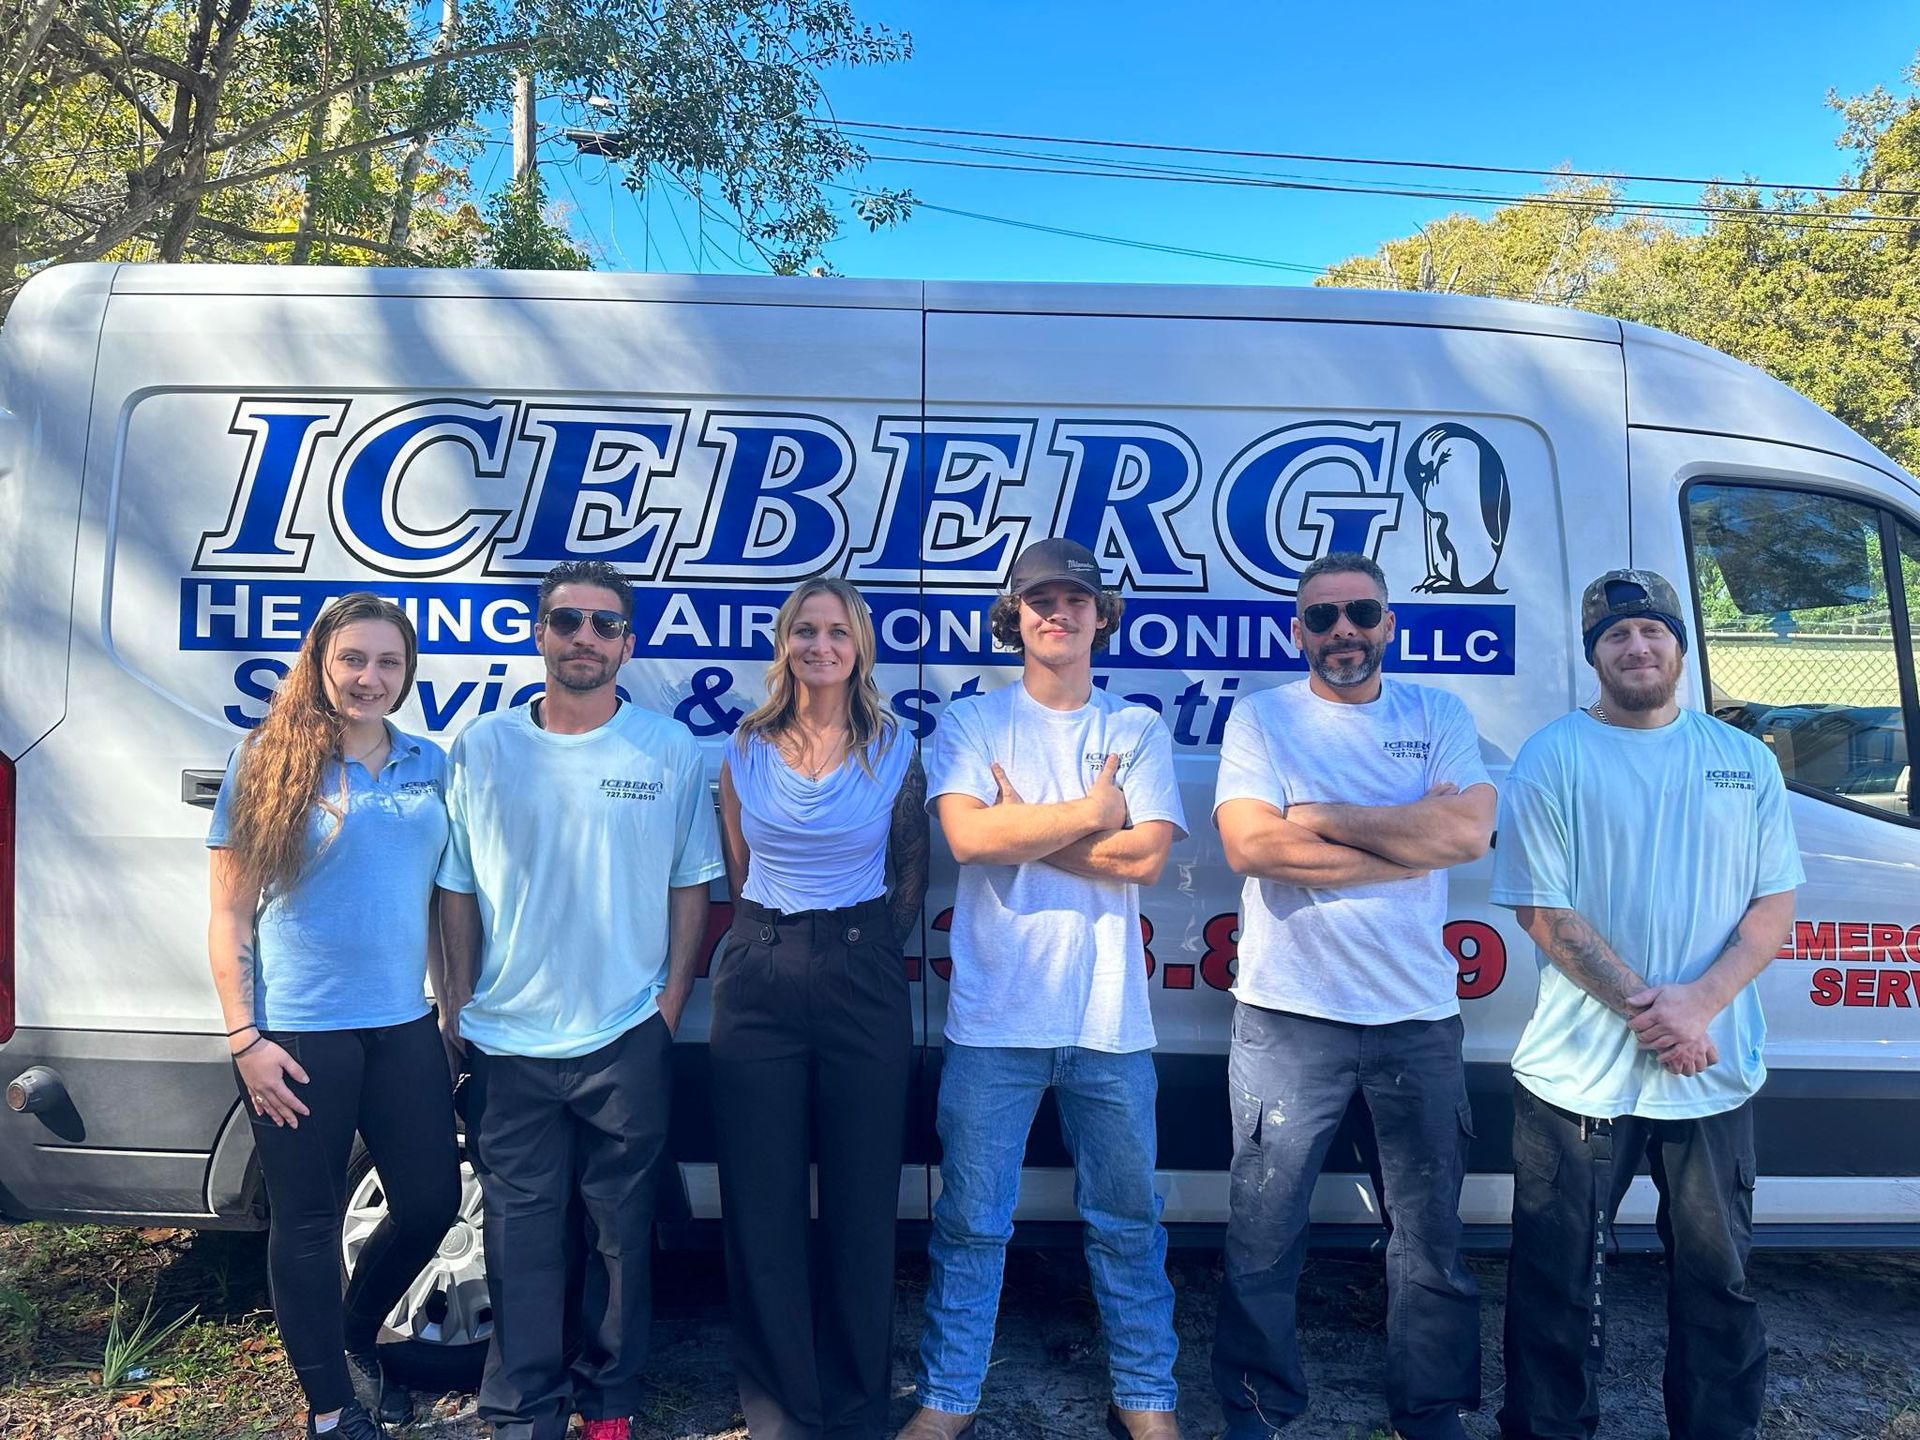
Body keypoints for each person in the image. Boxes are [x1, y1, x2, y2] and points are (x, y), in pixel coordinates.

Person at [1491, 569, 1801, 1440]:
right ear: (1594, 655)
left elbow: (1772, 905)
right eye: (1617, 635)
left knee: (1720, 1283)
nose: (1637, 647)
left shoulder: (1742, 761)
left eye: (1652, 632)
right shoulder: (1553, 755)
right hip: (1575, 1080)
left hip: (1713, 1073)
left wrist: (1699, 1004)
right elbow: (1544, 914)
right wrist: (1656, 1014)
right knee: (1555, 1288)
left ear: (1678, 645)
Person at [901, 537, 1188, 1440]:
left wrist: (1024, 822)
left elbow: (1143, 858)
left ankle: (1148, 1401)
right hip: (993, 1023)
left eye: (1074, 599)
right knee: (971, 1227)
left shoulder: (1136, 728)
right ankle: (948, 1403)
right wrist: (1092, 812)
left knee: (1129, 1225)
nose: (1055, 612)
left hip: (1109, 1023)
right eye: (1037, 601)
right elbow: (970, 843)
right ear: (1013, 617)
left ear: (1103, 614)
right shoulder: (972, 723)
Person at [435, 559, 725, 1440]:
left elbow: (692, 886)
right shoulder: (482, 747)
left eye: (605, 625)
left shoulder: (668, 749)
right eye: (568, 621)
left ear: (628, 644)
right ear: (539, 634)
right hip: (507, 1040)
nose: (585, 639)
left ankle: (609, 1403)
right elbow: (455, 889)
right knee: (519, 1239)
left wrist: (669, 1004)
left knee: (618, 1237)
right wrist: (455, 1010)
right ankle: (524, 1405)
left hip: (625, 1034)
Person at [1209, 552, 1495, 1440]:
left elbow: (1469, 829)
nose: (1343, 632)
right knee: (1263, 1235)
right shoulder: (1261, 719)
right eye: (1323, 618)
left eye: (1361, 614)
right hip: (1289, 1018)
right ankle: (1257, 1404)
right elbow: (1252, 848)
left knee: (1430, 1237)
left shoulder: (1438, 712)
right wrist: (1409, 840)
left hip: (1416, 1018)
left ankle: (1432, 1405)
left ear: (1390, 624)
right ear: (1297, 632)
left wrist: (1320, 815)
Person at [206, 592, 459, 1440]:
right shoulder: (268, 761)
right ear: (321, 663)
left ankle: (353, 1337)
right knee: (308, 1224)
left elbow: (441, 903)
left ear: (407, 672)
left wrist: (451, 1015)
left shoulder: (430, 763)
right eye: (353, 659)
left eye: (389, 662)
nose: (370, 678)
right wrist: (246, 1039)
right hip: (298, 1035)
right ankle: (331, 1409)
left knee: (429, 1204)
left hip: (402, 1028)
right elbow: (229, 913)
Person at [711, 577, 929, 1439]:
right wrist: (783, 939)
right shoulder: (744, 744)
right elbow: (737, 866)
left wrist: (859, 948)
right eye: (806, 631)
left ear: (859, 645)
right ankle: (779, 1411)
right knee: (760, 1202)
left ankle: (854, 1405)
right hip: (759, 974)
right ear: (785, 643)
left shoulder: (895, 746)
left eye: (837, 632)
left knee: (861, 1201)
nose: (821, 646)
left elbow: (910, 873)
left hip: (861, 973)